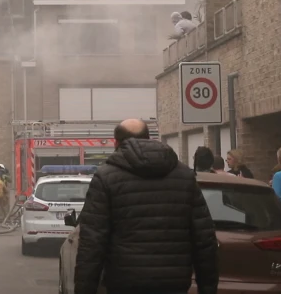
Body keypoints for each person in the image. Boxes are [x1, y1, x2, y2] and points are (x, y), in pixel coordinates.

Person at [74, 119, 218, 294]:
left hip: (124, 282)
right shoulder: (184, 176)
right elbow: (204, 238)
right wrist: (208, 288)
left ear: (116, 143)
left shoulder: (105, 177)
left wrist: (84, 289)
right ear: (148, 138)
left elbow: (92, 242)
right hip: (173, 282)